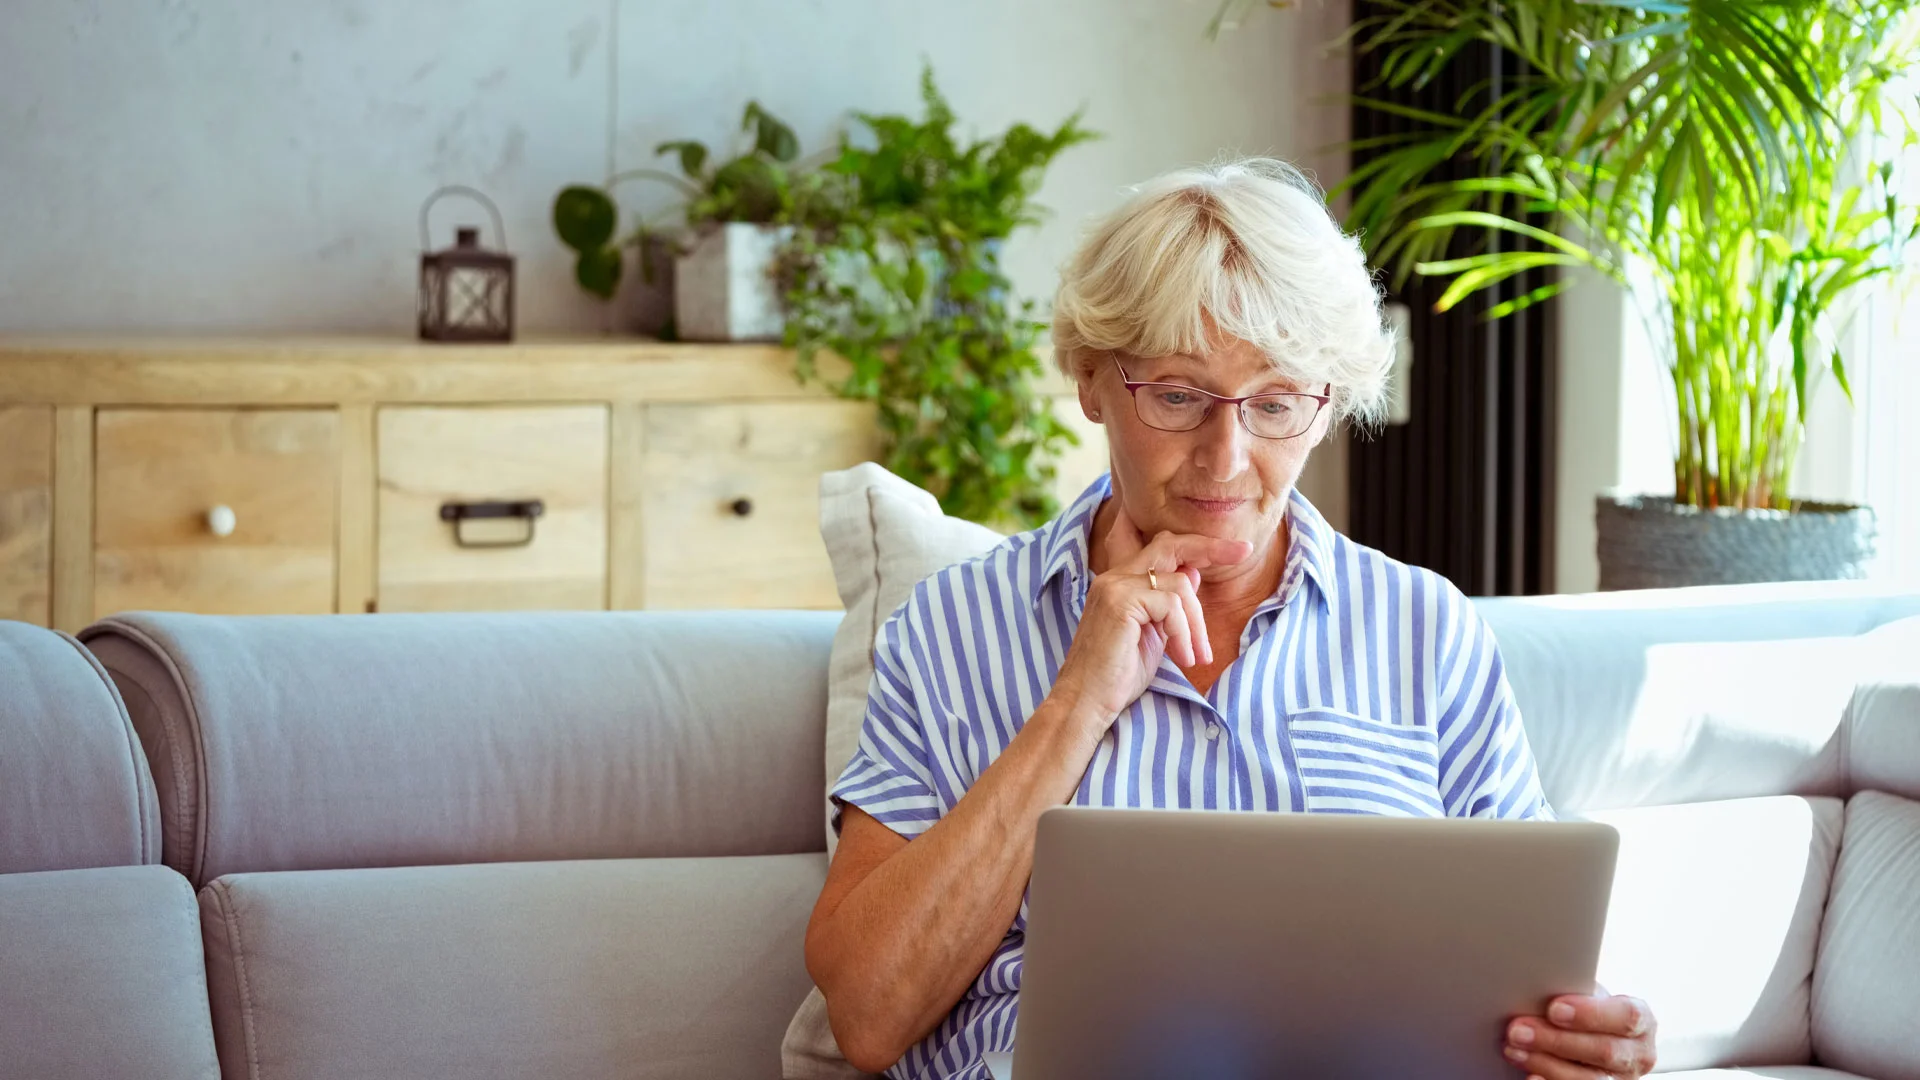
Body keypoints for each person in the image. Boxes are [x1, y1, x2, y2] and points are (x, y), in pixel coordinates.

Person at [804, 158, 1658, 1080]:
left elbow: (1533, 960)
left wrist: (1589, 1033)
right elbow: (869, 1016)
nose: (1226, 458)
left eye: (1276, 403)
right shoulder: (953, 628)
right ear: (1091, 381)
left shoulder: (1424, 629)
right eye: (1178, 396)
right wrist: (1077, 704)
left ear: (1325, 409)